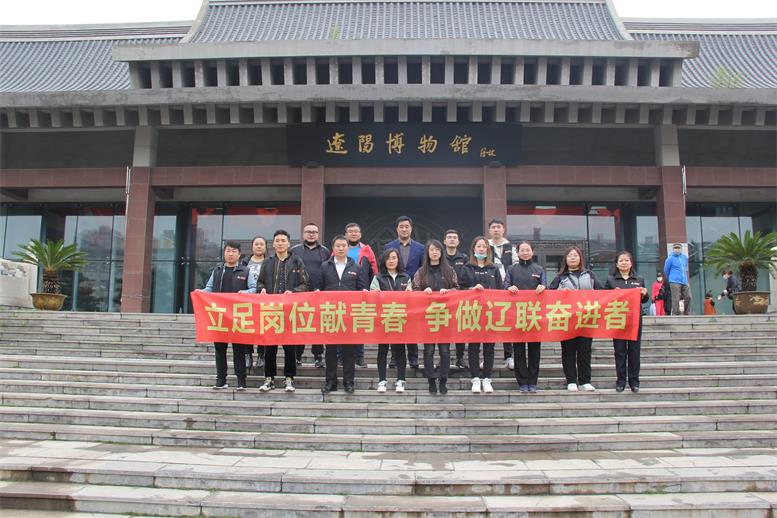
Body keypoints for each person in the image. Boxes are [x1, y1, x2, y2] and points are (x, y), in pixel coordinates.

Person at [256, 230, 310, 393]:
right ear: (273, 244)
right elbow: (260, 282)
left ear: (289, 243)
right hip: (271, 310)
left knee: (290, 347)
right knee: (269, 347)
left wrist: (293, 292)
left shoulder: (296, 261)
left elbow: (305, 283)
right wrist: (262, 289)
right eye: (277, 241)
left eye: (283, 240)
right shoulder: (267, 262)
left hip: (289, 311)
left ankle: (289, 378)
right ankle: (269, 378)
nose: (280, 243)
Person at [200, 241, 256, 391]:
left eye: (234, 251)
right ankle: (221, 379)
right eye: (228, 251)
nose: (230, 254)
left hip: (238, 316)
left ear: (239, 254)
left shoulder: (246, 271)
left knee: (239, 350)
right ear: (224, 253)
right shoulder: (217, 271)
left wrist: (244, 293)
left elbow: (254, 289)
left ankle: (241, 380)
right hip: (220, 316)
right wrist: (200, 293)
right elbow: (209, 288)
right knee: (220, 350)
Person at [320, 235, 371, 394]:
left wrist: (365, 293)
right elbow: (319, 288)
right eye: (338, 246)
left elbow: (362, 289)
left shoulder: (356, 267)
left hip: (349, 316)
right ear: (333, 248)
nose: (341, 248)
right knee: (330, 351)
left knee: (349, 351)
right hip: (330, 314)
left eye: (344, 246)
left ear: (348, 248)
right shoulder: (325, 266)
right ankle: (330, 382)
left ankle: (349, 382)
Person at [549, 245, 603, 391]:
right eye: (570, 256)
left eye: (575, 255)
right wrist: (561, 292)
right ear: (565, 259)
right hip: (567, 320)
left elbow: (601, 292)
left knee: (585, 350)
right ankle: (571, 380)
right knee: (568, 350)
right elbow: (550, 294)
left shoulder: (590, 275)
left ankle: (585, 380)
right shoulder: (560, 277)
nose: (573, 258)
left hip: (586, 319)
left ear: (580, 258)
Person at [413, 239, 459, 395]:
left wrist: (448, 292)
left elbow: (456, 289)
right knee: (429, 350)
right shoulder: (421, 272)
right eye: (432, 249)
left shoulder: (449, 270)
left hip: (445, 316)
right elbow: (414, 291)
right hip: (427, 317)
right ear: (427, 252)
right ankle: (431, 380)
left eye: (437, 250)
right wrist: (423, 292)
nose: (434, 252)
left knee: (445, 351)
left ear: (441, 252)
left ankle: (443, 380)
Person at [459, 236, 502, 394]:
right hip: (473, 313)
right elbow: (460, 290)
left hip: (490, 313)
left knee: (489, 348)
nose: (482, 249)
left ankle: (487, 378)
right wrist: (472, 289)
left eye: (484, 246)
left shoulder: (494, 269)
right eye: (479, 246)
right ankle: (475, 378)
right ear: (473, 249)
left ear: (488, 250)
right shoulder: (467, 268)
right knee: (474, 347)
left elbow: (500, 290)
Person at [505, 240, 546, 393]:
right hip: (517, 315)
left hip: (535, 315)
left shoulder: (539, 269)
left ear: (532, 252)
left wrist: (543, 287)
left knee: (535, 351)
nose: (525, 252)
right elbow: (505, 286)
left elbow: (546, 286)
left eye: (527, 250)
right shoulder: (511, 269)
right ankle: (522, 382)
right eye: (522, 250)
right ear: (517, 252)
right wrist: (510, 288)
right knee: (519, 351)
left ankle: (533, 382)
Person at [383, 216, 424, 369]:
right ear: (397, 229)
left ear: (411, 228)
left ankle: (413, 358)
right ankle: (395, 358)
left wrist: (416, 287)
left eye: (407, 226)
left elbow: (422, 269)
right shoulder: (388, 246)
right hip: (394, 292)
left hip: (413, 293)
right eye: (401, 226)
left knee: (412, 326)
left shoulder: (420, 247)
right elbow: (384, 266)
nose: (404, 229)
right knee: (395, 325)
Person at [605, 251, 649, 393]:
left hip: (634, 320)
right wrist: (612, 294)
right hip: (617, 318)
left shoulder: (639, 279)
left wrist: (645, 293)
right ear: (617, 264)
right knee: (620, 351)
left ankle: (634, 381)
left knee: (634, 351)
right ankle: (621, 381)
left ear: (631, 263)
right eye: (621, 260)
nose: (624, 263)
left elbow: (644, 300)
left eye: (626, 260)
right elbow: (604, 298)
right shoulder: (611, 280)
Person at [370, 248, 412, 393]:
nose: (391, 261)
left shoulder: (405, 277)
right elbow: (372, 296)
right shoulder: (378, 278)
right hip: (383, 320)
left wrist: (410, 293)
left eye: (394, 258)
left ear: (398, 260)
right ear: (384, 261)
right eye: (388, 258)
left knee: (400, 350)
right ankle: (382, 380)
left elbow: (411, 298)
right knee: (382, 350)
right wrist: (374, 294)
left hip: (400, 320)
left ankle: (401, 380)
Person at [290, 223, 331, 368]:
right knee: (299, 325)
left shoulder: (325, 251)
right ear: (303, 234)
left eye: (314, 232)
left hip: (318, 293)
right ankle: (297, 355)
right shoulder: (294, 250)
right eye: (308, 231)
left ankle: (318, 356)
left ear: (318, 234)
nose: (311, 234)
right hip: (299, 293)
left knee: (318, 325)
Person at [344, 222, 378, 367]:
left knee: (359, 326)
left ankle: (359, 357)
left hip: (362, 293)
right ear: (346, 234)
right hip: (344, 294)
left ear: (360, 234)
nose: (353, 233)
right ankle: (341, 357)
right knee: (343, 325)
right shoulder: (340, 248)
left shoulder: (367, 250)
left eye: (356, 231)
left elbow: (374, 271)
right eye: (350, 231)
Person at [487, 218, 516, 370]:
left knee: (507, 324)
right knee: (488, 323)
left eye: (499, 227)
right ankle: (487, 357)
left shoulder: (510, 247)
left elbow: (516, 267)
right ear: (489, 230)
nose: (496, 230)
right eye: (493, 227)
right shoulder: (485, 245)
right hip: (490, 290)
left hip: (507, 291)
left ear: (503, 230)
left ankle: (509, 356)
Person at [444, 228, 469, 369]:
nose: (452, 239)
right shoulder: (440, 257)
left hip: (460, 298)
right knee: (444, 329)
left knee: (460, 330)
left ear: (458, 241)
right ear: (444, 241)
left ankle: (460, 358)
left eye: (454, 237)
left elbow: (467, 276)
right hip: (444, 298)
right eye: (449, 237)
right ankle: (444, 358)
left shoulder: (464, 258)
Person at [243, 236, 266, 371]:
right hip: (248, 301)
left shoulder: (269, 262)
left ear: (265, 247)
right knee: (248, 329)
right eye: (256, 244)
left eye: (261, 244)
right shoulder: (244, 262)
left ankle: (261, 355)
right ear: (252, 246)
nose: (259, 246)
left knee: (263, 329)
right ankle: (248, 354)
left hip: (264, 301)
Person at [663, 243, 691, 315]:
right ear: (673, 249)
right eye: (675, 248)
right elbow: (666, 270)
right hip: (674, 281)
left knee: (688, 296)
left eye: (678, 248)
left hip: (684, 281)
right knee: (676, 298)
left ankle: (686, 313)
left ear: (681, 249)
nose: (677, 249)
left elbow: (685, 268)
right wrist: (671, 278)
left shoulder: (684, 257)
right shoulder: (670, 259)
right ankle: (676, 313)